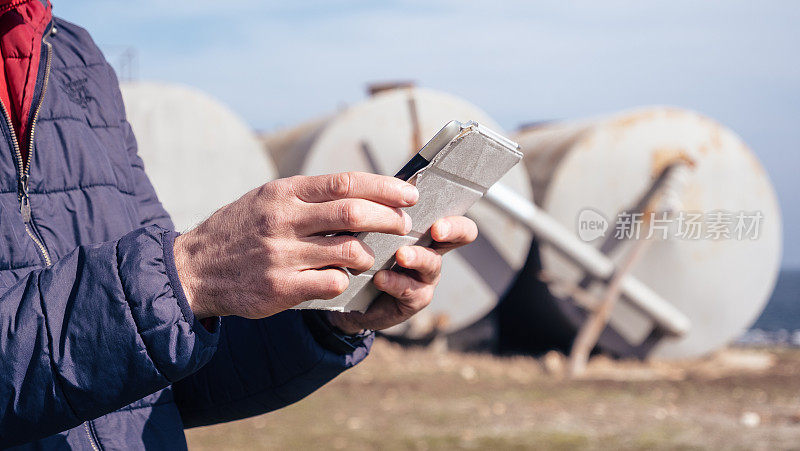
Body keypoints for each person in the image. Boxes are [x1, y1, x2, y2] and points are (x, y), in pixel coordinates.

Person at [0, 1, 477, 449]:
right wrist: (192, 272)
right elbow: (164, 296)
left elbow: (160, 370)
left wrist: (330, 313)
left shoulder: (73, 57)